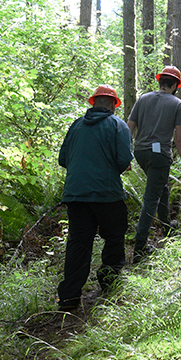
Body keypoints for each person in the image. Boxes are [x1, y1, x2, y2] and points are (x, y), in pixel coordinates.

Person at [57, 85, 133, 311]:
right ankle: (109, 286)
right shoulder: (118, 125)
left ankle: (69, 299)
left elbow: (63, 160)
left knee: (78, 244)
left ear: (94, 102)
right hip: (107, 194)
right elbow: (123, 160)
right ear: (112, 104)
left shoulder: (76, 126)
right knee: (114, 237)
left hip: (75, 195)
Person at [127, 66, 181, 263]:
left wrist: (127, 154)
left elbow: (129, 128)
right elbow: (179, 139)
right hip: (160, 155)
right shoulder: (178, 105)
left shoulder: (143, 99)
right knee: (151, 198)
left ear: (160, 82)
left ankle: (166, 226)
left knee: (161, 187)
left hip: (140, 153)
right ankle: (140, 247)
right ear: (176, 85)